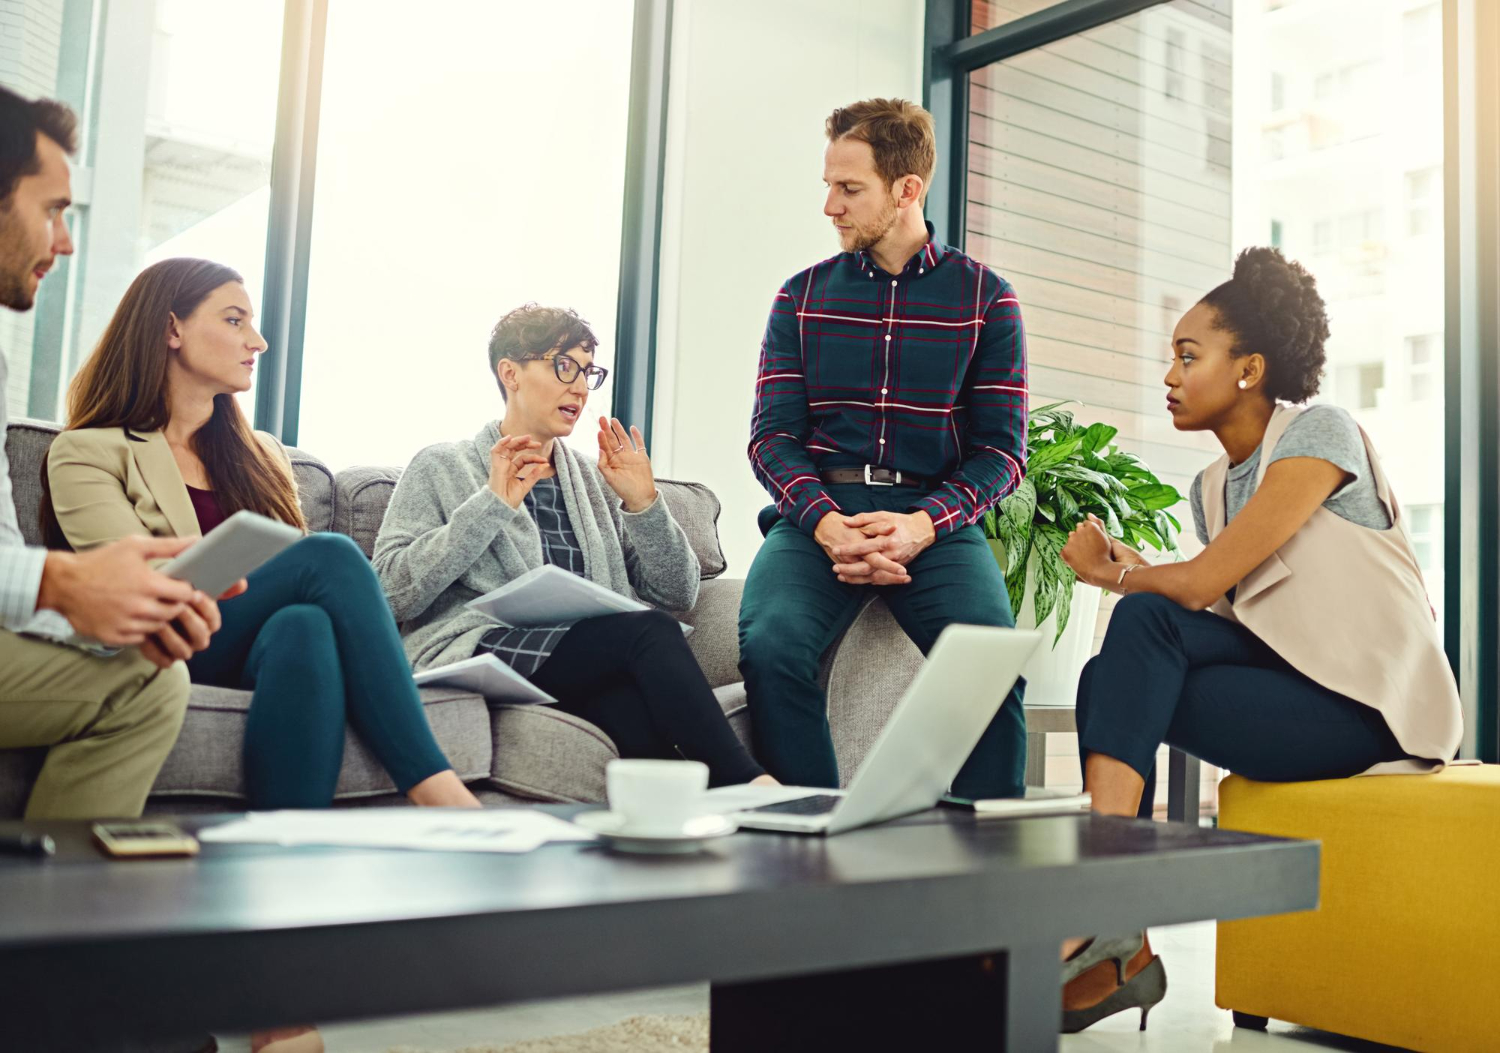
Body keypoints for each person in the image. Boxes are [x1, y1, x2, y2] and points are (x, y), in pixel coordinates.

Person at [1055, 246, 1462, 1033]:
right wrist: (1140, 575)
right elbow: (1236, 613)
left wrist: (1116, 575)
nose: (1170, 374)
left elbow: (1202, 583)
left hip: (1367, 712)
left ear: (1248, 369)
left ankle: (1101, 912)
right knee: (1112, 668)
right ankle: (1116, 925)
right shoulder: (1211, 488)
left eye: (1188, 355)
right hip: (1289, 688)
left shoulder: (1318, 435)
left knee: (1140, 621)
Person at [45, 256, 482, 815]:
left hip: (248, 645)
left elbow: (289, 583)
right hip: (157, 644)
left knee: (305, 624)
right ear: (172, 328)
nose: (258, 341)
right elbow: (130, 588)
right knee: (328, 555)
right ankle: (439, 791)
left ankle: (287, 838)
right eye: (234, 320)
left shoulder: (261, 456)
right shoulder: (88, 451)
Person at [739, 98, 1029, 798]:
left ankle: (985, 858)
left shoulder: (987, 300)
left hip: (933, 515)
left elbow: (1002, 451)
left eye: (849, 188)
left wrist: (921, 525)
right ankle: (812, 837)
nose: (830, 206)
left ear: (907, 189)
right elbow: (771, 437)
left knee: (990, 666)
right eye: (829, 186)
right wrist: (827, 524)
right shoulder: (800, 297)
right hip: (820, 510)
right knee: (772, 646)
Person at [373, 303, 773, 789]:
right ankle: (754, 787)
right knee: (649, 632)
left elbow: (678, 592)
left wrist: (644, 503)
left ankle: (690, 824)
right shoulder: (441, 466)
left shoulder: (591, 478)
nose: (580, 387)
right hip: (480, 649)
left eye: (588, 372)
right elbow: (392, 592)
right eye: (564, 366)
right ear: (510, 373)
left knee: (630, 712)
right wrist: (491, 504)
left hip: (581, 656)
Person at [0, 86, 205, 821]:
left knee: (150, 677)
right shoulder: (92, 449)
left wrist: (93, 617)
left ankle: (52, 889)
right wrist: (61, 582)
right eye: (53, 209)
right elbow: (39, 577)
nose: (64, 242)